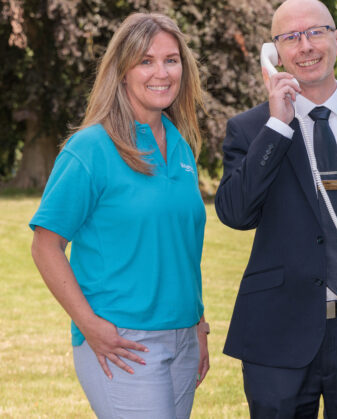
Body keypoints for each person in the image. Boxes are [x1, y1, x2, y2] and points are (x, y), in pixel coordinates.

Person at [214, 0, 337, 417]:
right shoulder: (251, 128)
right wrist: (277, 125)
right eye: (290, 37)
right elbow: (235, 213)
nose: (304, 46)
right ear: (275, 53)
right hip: (278, 332)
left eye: (315, 33)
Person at [29, 12, 209, 418]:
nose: (161, 72)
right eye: (145, 61)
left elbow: (180, 246)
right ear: (121, 71)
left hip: (183, 338)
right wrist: (89, 324)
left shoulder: (179, 145)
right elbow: (46, 245)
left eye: (171, 59)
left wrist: (198, 323)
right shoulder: (91, 147)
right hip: (123, 341)